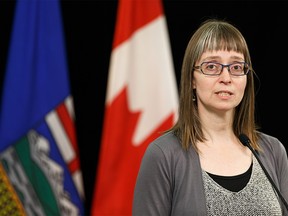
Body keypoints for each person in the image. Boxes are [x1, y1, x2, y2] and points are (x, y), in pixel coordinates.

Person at [132, 18, 288, 216]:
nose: (226, 78)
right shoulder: (163, 155)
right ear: (192, 79)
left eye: (236, 67)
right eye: (212, 67)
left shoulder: (273, 151)